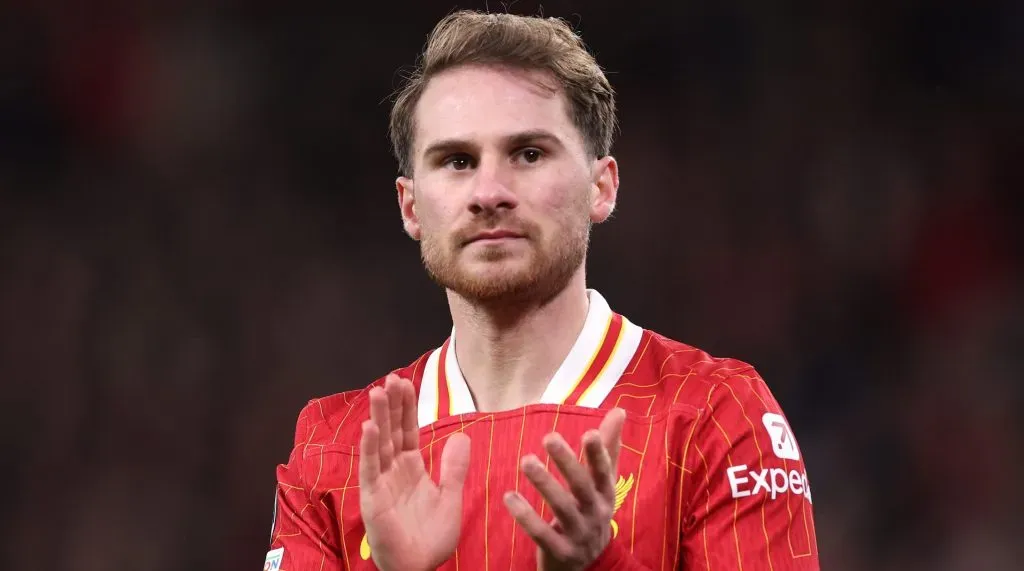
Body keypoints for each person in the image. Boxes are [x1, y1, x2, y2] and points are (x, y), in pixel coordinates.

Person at [267, 10, 819, 571]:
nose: (489, 192)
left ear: (601, 188)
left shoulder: (714, 416)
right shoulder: (335, 448)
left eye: (528, 154)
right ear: (410, 206)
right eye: (457, 161)